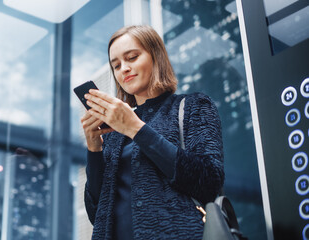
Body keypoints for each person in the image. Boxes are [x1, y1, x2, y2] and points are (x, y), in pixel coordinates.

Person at [80, 25, 224, 239]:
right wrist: (94, 147)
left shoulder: (193, 106)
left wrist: (135, 128)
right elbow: (97, 214)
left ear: (156, 56)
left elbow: (209, 182)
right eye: (117, 65)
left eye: (132, 57)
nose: (124, 69)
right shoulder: (113, 133)